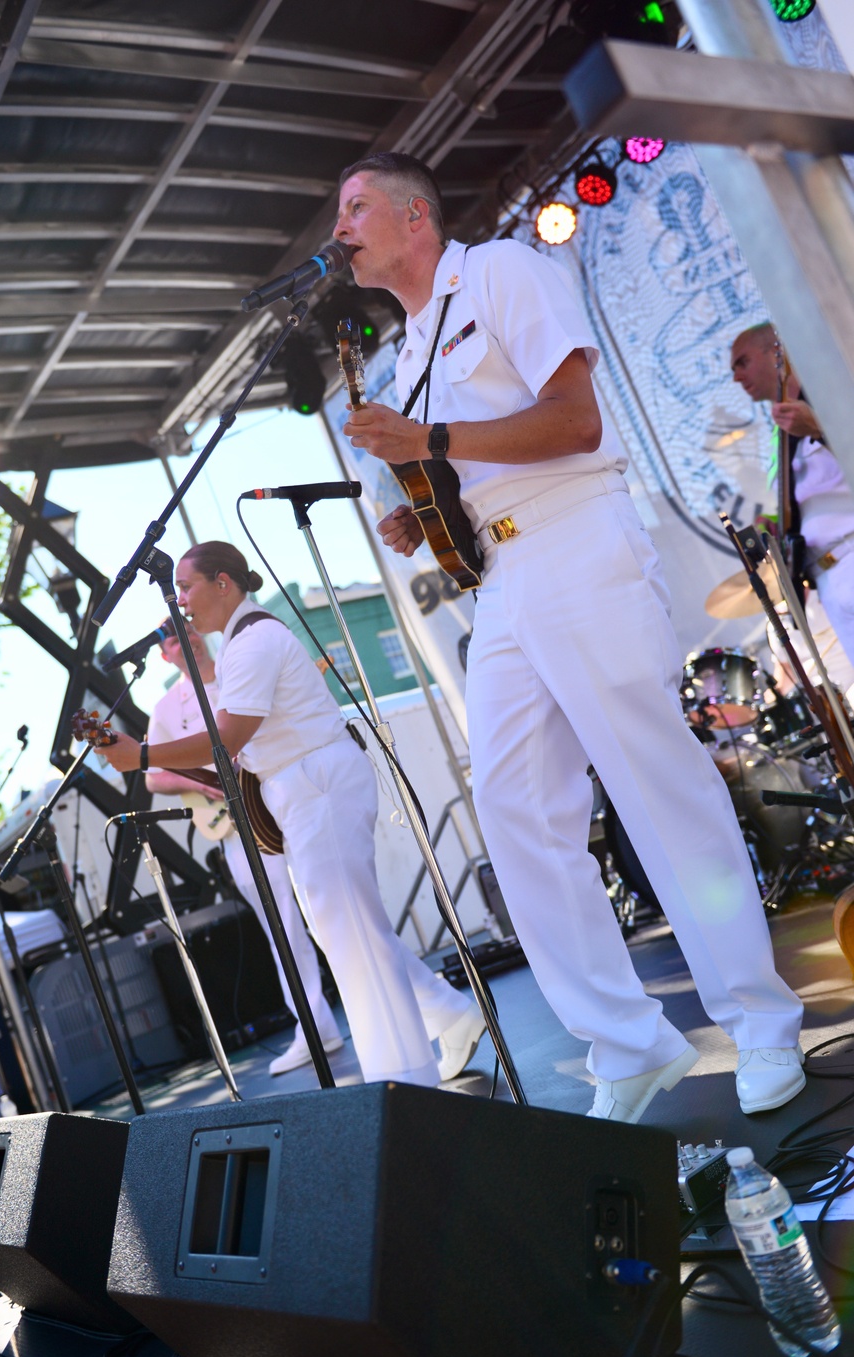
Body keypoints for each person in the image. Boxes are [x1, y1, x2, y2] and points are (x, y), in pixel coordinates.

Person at [332, 151, 805, 1122]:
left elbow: (574, 421)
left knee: (654, 789)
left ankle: (761, 1021)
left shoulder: (503, 270)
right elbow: (464, 462)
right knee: (514, 814)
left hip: (580, 541)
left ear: (415, 214)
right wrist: (422, 511)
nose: (338, 227)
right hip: (500, 579)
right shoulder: (404, 349)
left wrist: (428, 447)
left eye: (354, 206)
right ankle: (625, 1041)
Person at [100, 540, 485, 1088]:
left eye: (186, 587)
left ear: (223, 583)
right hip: (304, 788)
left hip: (316, 785)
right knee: (347, 930)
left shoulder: (252, 642)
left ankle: (402, 1076)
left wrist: (139, 755)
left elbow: (227, 737)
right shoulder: (243, 642)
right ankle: (448, 1017)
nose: (180, 601)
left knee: (349, 933)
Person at [145, 611, 345, 1075]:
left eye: (188, 629)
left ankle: (378, 1000)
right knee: (282, 927)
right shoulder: (166, 709)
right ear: (162, 653)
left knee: (330, 904)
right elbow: (154, 778)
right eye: (173, 640)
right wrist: (208, 785)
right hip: (239, 825)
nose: (185, 641)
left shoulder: (240, 665)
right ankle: (315, 1027)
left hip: (289, 793)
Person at [731, 322, 854, 670]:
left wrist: (818, 427)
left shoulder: (831, 391)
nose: (737, 377)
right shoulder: (779, 433)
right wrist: (779, 525)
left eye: (742, 362)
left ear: (777, 352)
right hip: (826, 579)